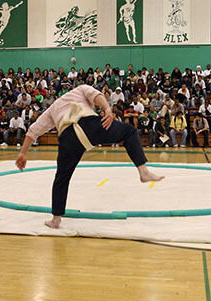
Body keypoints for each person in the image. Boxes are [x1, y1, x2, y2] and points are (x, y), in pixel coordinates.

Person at [15, 85, 164, 229]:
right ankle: (143, 171)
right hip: (87, 125)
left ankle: (56, 219)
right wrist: (107, 109)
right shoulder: (80, 89)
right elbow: (96, 96)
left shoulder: (52, 108)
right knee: (129, 132)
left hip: (68, 139)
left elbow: (33, 130)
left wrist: (23, 153)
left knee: (61, 178)